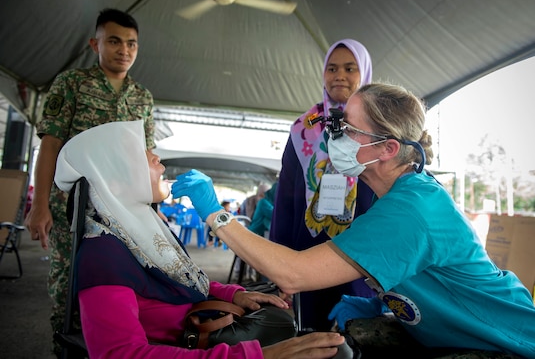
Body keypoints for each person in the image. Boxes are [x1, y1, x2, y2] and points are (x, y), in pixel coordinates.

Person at [172, 83, 535, 358]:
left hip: (505, 342)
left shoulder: (410, 210)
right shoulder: (400, 192)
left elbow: (293, 274)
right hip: (459, 332)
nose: (336, 137)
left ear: (387, 148)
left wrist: (214, 212)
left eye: (348, 129)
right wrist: (384, 300)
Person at [54, 120, 346, 359]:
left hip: (196, 330)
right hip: (183, 343)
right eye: (141, 152)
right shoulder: (102, 253)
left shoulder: (139, 227)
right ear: (113, 174)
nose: (157, 158)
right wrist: (263, 356)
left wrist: (232, 294)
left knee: (287, 321)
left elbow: (177, 281)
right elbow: (119, 354)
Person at [23, 8, 155, 356]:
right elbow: (50, 144)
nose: (124, 50)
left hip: (123, 213)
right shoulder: (72, 84)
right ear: (94, 43)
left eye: (131, 44)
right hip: (73, 206)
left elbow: (147, 157)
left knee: (116, 285)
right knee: (67, 284)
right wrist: (39, 206)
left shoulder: (143, 97)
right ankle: (64, 348)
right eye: (114, 41)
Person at [269, 39, 376, 331]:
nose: (339, 75)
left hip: (362, 252)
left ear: (364, 74)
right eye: (332, 68)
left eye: (349, 68)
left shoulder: (379, 129)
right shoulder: (303, 129)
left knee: (359, 332)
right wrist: (279, 258)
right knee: (312, 332)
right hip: (309, 247)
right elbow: (287, 198)